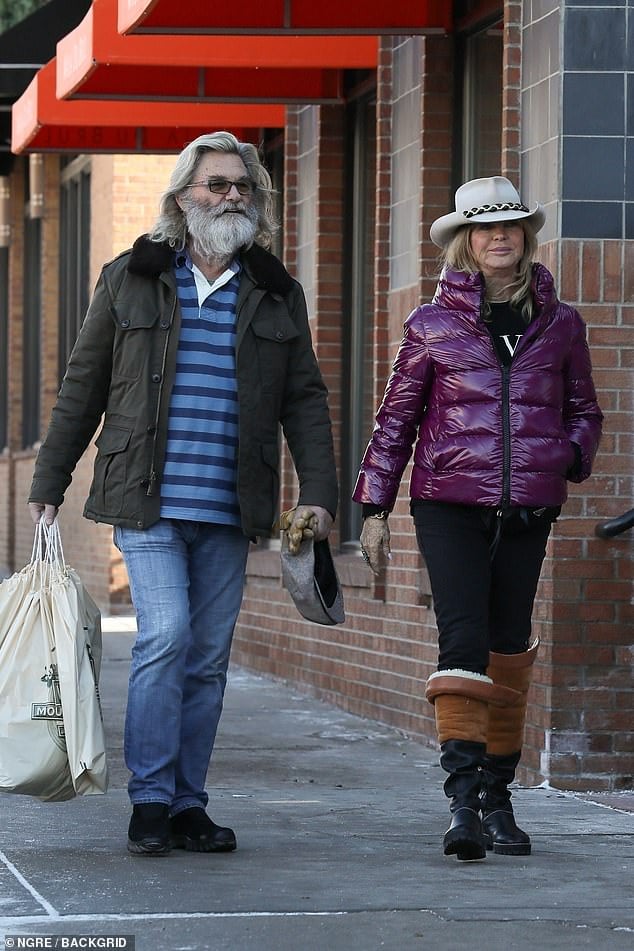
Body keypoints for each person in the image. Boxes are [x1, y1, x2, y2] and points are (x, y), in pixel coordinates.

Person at [29, 131, 338, 856]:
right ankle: (149, 797)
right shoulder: (131, 277)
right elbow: (83, 384)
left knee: (206, 655)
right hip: (147, 499)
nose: (231, 196)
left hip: (231, 507)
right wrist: (50, 482)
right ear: (182, 196)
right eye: (216, 184)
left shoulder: (275, 290)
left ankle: (188, 801)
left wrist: (321, 492)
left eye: (242, 186)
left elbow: (306, 398)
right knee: (165, 636)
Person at [353, 176, 602, 862]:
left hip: (528, 507)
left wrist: (565, 457)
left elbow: (584, 408)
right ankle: (462, 802)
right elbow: (395, 419)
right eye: (487, 227)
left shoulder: (561, 323)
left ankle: (499, 797)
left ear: (526, 237)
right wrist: (373, 506)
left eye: (512, 226)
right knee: (463, 637)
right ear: (465, 240)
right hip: (448, 504)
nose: (501, 236)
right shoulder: (431, 325)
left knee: (510, 641)